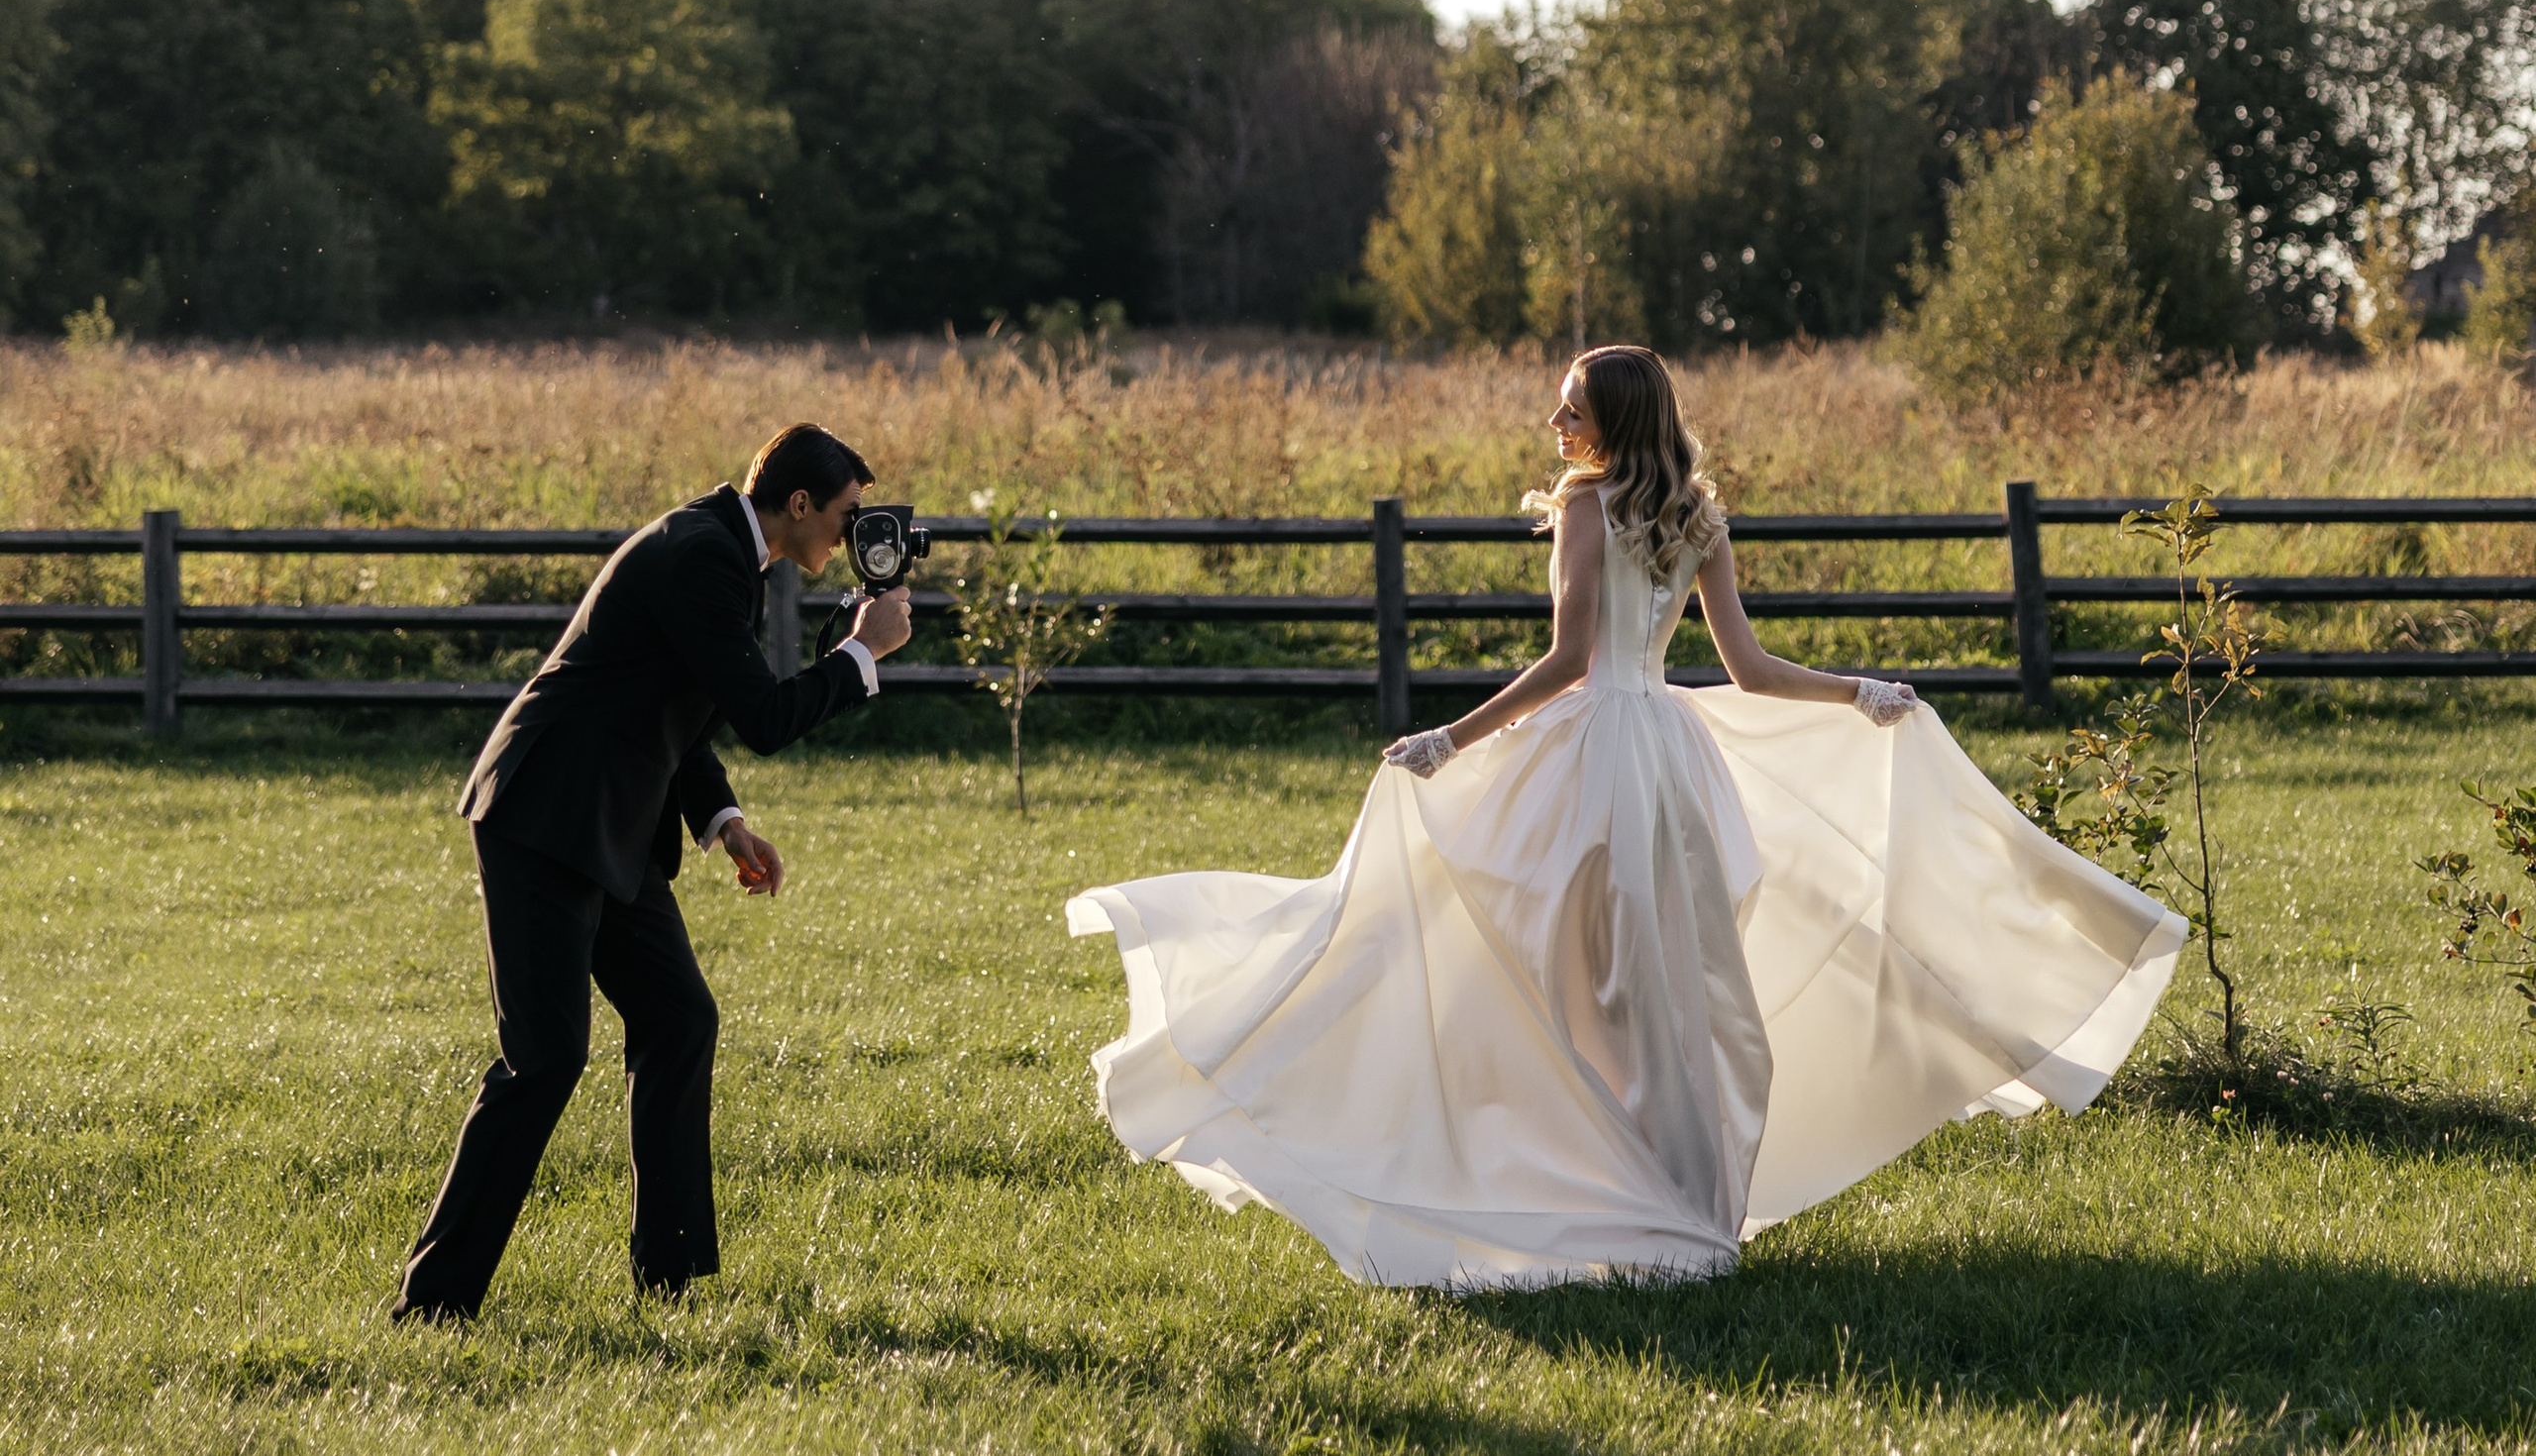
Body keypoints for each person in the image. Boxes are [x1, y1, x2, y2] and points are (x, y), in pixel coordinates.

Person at [1069, 345, 2184, 1290]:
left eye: (1571, 403)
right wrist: (1854, 687)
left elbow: (1566, 659)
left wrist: (1448, 739)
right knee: (1666, 992)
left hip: (1595, 760)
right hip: (1667, 763)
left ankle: (1630, 1203)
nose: (1553, 417)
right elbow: (1746, 671)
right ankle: (1670, 1205)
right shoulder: (1694, 516)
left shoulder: (1584, 508)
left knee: (1566, 983)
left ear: (1613, 417)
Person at [392, 422, 913, 1320]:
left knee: (679, 1020)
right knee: (544, 1061)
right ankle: (434, 1302)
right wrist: (861, 656)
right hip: (545, 817)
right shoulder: (702, 556)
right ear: (797, 504)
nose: (850, 533)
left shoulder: (720, 552)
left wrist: (723, 819)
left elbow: (681, 703)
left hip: (614, 825)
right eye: (844, 514)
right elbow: (763, 714)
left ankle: (669, 1280)